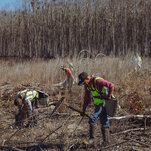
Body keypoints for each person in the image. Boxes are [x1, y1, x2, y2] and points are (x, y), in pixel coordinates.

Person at [78, 72, 114, 146]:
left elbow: (111, 85)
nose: (84, 84)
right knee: (104, 121)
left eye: (84, 82)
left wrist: (109, 97)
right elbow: (86, 98)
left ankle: (92, 141)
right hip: (98, 104)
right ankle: (106, 142)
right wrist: (83, 109)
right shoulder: (87, 85)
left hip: (104, 103)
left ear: (87, 78)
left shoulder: (97, 81)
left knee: (92, 117)